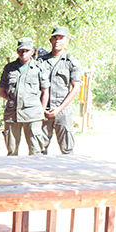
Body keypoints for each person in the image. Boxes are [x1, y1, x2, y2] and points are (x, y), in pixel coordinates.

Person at [0, 37, 50, 156]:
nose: (23, 53)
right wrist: (13, 101)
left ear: (32, 51)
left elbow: (45, 91)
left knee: (35, 151)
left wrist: (40, 111)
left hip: (33, 115)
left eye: (27, 50)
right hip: (12, 114)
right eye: (21, 50)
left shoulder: (39, 68)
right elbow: (2, 91)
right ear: (17, 51)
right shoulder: (10, 68)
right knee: (11, 152)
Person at [39, 26, 82, 155]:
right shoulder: (41, 62)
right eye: (55, 38)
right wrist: (40, 109)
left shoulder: (71, 62)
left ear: (66, 41)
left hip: (63, 112)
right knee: (39, 150)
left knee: (67, 150)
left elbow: (76, 88)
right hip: (44, 111)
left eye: (61, 38)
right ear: (50, 40)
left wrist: (59, 109)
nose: (57, 41)